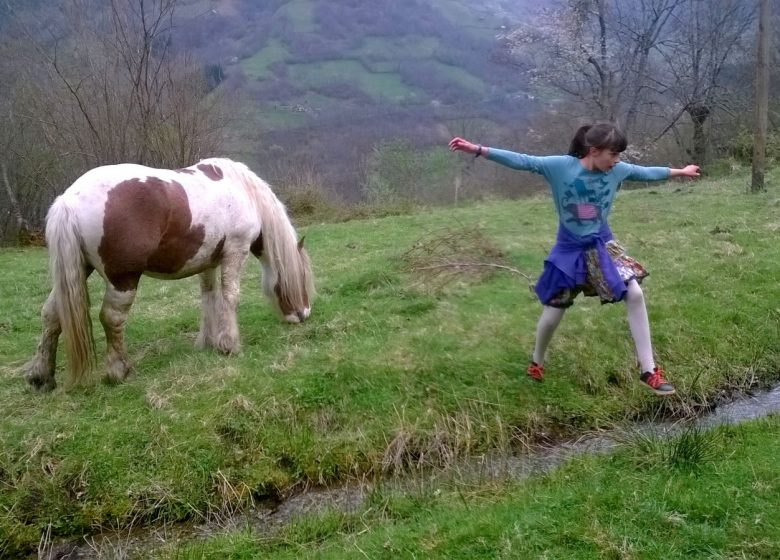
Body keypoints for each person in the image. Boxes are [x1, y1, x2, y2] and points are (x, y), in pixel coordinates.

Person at [448, 123, 700, 396]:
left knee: (635, 294)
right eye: (613, 155)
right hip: (569, 249)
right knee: (554, 312)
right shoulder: (560, 167)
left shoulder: (618, 171)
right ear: (594, 151)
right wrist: (478, 150)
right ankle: (537, 361)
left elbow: (646, 173)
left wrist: (680, 172)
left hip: (602, 245)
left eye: (619, 156)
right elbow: (522, 161)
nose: (617, 161)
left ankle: (648, 371)